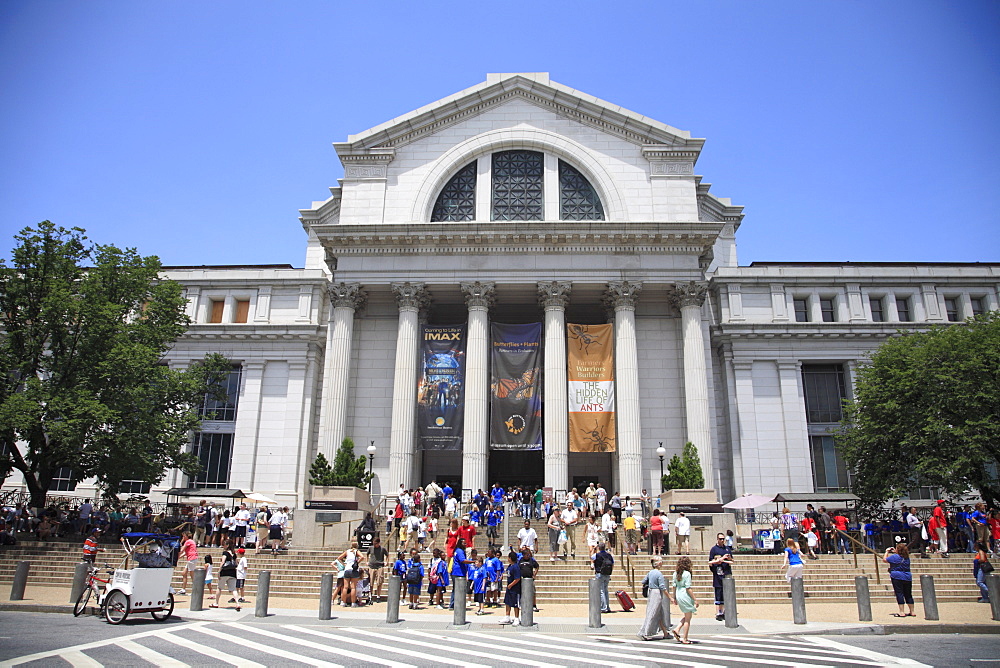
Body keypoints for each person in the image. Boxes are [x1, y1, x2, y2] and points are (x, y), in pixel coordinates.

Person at [637, 555, 671, 641]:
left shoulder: (650, 572)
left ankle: (665, 632)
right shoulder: (659, 574)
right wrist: (670, 597)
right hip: (657, 593)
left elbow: (643, 581)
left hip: (651, 591)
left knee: (658, 613)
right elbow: (662, 587)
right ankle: (646, 632)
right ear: (659, 563)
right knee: (653, 613)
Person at [670, 556, 699, 644]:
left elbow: (674, 586)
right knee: (688, 619)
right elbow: (688, 588)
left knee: (687, 615)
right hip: (685, 594)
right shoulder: (687, 574)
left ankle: (677, 628)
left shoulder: (675, 573)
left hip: (678, 593)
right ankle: (685, 638)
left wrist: (674, 597)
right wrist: (695, 599)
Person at [708, 532, 733, 621]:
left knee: (727, 593)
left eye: (723, 539)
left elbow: (732, 561)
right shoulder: (714, 549)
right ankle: (719, 612)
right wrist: (720, 560)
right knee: (718, 593)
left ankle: (726, 611)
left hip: (726, 573)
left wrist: (729, 558)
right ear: (717, 539)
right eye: (720, 539)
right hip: (718, 573)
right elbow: (710, 562)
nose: (722, 540)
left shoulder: (727, 549)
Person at [884, 543, 915, 617]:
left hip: (897, 576)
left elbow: (885, 559)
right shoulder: (907, 558)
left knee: (899, 593)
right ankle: (912, 611)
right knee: (908, 594)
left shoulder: (895, 557)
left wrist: (887, 552)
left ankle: (901, 611)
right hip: (907, 576)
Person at [213, 541, 241, 611]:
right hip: (232, 573)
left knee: (219, 588)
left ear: (227, 545)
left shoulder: (225, 553)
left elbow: (223, 562)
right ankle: (237, 603)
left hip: (225, 572)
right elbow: (237, 563)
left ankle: (216, 603)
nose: (223, 546)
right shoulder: (234, 554)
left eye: (224, 544)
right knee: (233, 589)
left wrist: (219, 571)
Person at [338, 541, 364, 607]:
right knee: (353, 587)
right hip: (354, 570)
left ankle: (343, 602)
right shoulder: (356, 551)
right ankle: (353, 603)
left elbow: (339, 558)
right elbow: (362, 557)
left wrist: (344, 564)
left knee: (345, 587)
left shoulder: (347, 551)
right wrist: (357, 562)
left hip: (347, 569)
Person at [499, 551, 521, 625]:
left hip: (515, 589)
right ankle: (507, 616)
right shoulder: (509, 566)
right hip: (509, 588)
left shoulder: (516, 567)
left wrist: (511, 584)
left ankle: (516, 618)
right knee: (507, 602)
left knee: (515, 604)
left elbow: (517, 578)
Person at [593, 541, 614, 614]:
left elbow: (591, 557)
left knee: (601, 591)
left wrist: (594, 549)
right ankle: (607, 606)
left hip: (600, 574)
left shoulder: (597, 555)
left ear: (599, 548)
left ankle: (603, 607)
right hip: (607, 574)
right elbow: (612, 564)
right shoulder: (609, 555)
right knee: (606, 591)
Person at [367, 535, 389, 602]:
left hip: (380, 566)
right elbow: (367, 554)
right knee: (371, 581)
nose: (374, 545)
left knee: (379, 581)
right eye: (373, 543)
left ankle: (378, 596)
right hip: (372, 566)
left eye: (376, 544)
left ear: (379, 543)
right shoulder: (370, 548)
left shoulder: (382, 549)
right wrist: (367, 561)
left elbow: (387, 555)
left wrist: (386, 562)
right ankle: (370, 595)